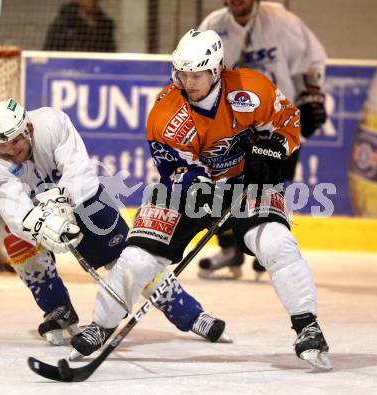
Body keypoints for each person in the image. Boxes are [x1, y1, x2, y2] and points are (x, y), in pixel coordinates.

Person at [70, 29, 331, 370]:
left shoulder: (252, 88)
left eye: (197, 74)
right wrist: (209, 192)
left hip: (244, 184)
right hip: (188, 190)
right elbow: (178, 173)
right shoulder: (166, 113)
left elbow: (288, 122)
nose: (189, 82)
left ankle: (307, 326)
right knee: (135, 258)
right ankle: (101, 326)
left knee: (278, 244)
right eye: (183, 74)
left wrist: (273, 150)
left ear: (217, 70)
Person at [0, 98, 231, 352]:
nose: (9, 150)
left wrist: (61, 204)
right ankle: (57, 309)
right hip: (22, 210)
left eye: (15, 141)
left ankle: (189, 313)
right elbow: (16, 212)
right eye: (1, 145)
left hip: (79, 196)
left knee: (129, 259)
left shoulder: (52, 123)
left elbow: (78, 172)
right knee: (30, 260)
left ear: (28, 129)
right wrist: (45, 225)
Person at [197, 0, 327, 279]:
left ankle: (265, 250)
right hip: (233, 124)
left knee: (270, 187)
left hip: (277, 121)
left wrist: (312, 96)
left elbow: (312, 59)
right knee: (222, 186)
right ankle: (230, 250)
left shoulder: (281, 21)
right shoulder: (213, 26)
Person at [43, 0, 116, 52]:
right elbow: (49, 51)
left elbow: (110, 53)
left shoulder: (105, 25)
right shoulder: (63, 22)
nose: (90, 1)